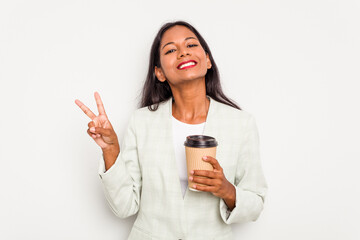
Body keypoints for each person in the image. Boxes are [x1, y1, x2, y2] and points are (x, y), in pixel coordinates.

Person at [75, 20, 268, 240]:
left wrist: (227, 190)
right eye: (171, 50)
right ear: (159, 73)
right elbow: (124, 207)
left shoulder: (241, 124)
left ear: (207, 61)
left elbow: (256, 202)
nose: (183, 53)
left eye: (191, 45)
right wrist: (110, 149)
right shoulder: (142, 122)